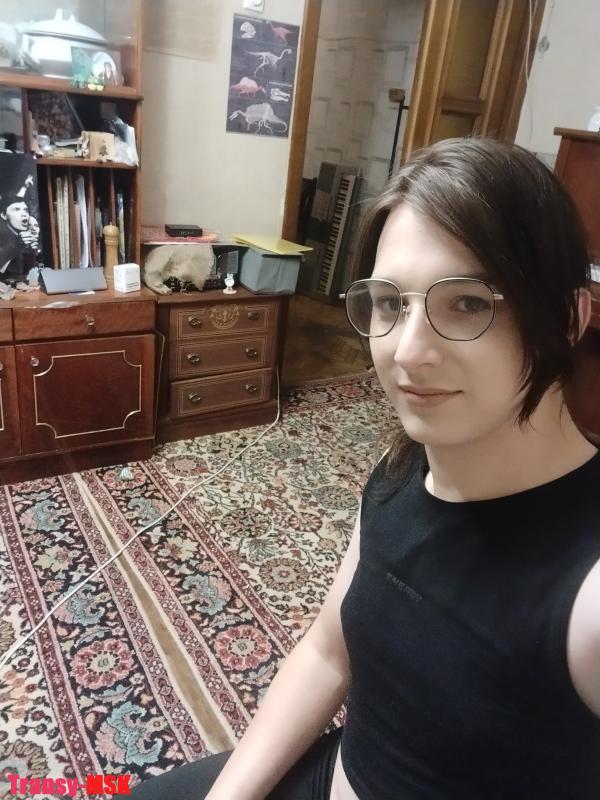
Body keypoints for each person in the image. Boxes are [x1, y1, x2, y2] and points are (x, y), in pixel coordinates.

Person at [119, 137, 600, 799]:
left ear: (570, 318)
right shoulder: (403, 469)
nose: (407, 351)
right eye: (391, 303)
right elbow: (327, 652)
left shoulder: (587, 594)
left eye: (468, 302)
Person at [0, 195, 36, 282]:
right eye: (17, 209)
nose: (24, 214)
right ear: (3, 215)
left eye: (25, 210)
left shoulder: (25, 236)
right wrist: (17, 245)